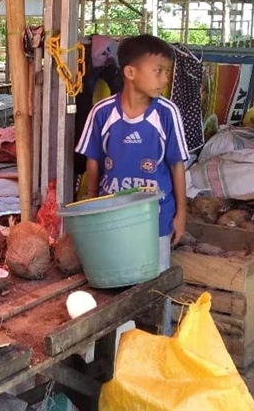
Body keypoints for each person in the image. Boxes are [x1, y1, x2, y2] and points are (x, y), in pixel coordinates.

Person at [74, 34, 189, 334]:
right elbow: (93, 161)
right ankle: (120, 343)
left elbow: (177, 165)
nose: (165, 78)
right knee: (114, 287)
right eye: (158, 71)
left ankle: (158, 341)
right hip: (112, 219)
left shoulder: (167, 113)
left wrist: (181, 214)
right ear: (130, 72)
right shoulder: (102, 112)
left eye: (167, 71)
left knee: (156, 286)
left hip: (157, 219)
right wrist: (92, 205)